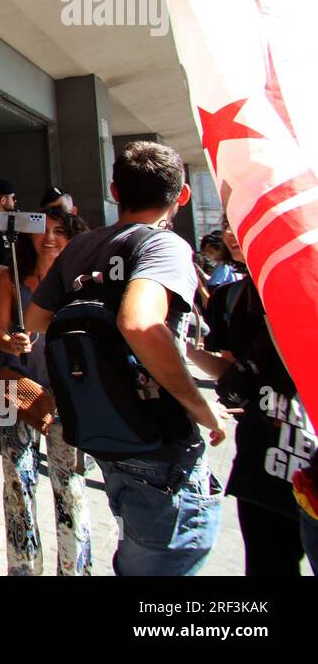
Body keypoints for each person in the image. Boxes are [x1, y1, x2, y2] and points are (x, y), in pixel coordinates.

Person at [24, 141, 230, 576]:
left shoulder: (80, 249)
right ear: (183, 196)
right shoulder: (164, 245)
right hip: (160, 438)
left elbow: (36, 319)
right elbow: (139, 324)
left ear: (116, 191)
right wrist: (201, 407)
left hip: (103, 429)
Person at [187, 217, 315, 576]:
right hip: (262, 462)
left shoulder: (308, 282)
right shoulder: (231, 297)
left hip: (310, 456)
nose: (232, 232)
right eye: (229, 222)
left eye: (245, 220)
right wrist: (181, 349)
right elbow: (232, 373)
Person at [0, 206, 92, 575]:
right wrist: (11, 343)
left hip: (70, 398)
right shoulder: (13, 281)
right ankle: (23, 570)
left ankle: (74, 570)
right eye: (42, 229)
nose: (50, 238)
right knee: (17, 484)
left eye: (60, 230)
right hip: (19, 393)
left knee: (71, 489)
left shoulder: (85, 283)